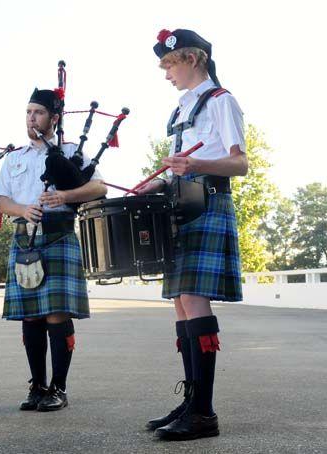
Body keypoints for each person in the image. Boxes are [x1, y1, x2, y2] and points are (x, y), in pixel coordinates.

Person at [138, 29, 248, 440]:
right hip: (181, 204)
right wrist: (160, 182)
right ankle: (191, 400)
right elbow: (184, 165)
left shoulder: (222, 102)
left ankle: (204, 412)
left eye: (171, 64)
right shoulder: (183, 109)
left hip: (208, 203)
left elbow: (240, 164)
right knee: (181, 303)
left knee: (193, 300)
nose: (167, 73)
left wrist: (195, 164)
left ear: (194, 59)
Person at [0, 88, 107, 412]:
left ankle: (59, 387)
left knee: (56, 313)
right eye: (28, 112)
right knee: (30, 316)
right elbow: (1, 201)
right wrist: (22, 210)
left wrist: (65, 197)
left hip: (59, 236)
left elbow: (99, 186)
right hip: (25, 236)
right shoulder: (14, 158)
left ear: (54, 118)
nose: (31, 118)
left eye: (38, 112)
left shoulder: (72, 152)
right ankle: (37, 385)